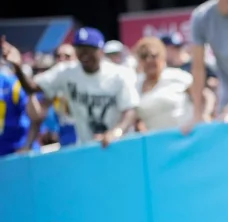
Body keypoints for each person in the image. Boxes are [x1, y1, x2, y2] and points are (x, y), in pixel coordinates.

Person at [1, 27, 139, 149]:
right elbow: (32, 88)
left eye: (89, 49)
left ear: (100, 50)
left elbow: (130, 111)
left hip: (120, 144)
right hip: (86, 147)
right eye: (79, 49)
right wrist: (18, 67)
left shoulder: (119, 74)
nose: (84, 54)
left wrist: (116, 132)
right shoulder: (67, 72)